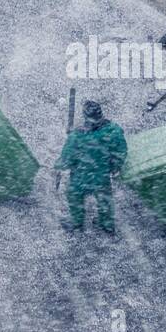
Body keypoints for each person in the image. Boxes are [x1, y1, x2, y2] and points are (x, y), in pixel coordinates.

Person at [54, 100, 127, 233]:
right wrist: (114, 166)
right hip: (101, 175)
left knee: (74, 196)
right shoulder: (113, 130)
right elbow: (121, 151)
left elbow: (67, 158)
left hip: (80, 176)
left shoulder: (77, 136)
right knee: (104, 199)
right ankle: (106, 224)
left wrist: (58, 165)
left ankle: (77, 223)